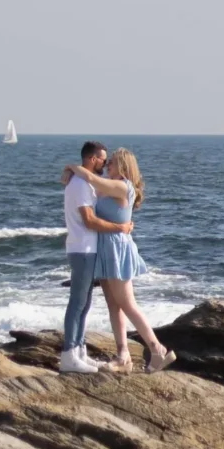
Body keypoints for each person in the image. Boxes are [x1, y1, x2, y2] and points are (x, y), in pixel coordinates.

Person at [92, 146, 175, 375]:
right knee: (113, 305)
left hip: (116, 248)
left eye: (112, 162)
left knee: (127, 303)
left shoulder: (123, 186)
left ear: (123, 166)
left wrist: (73, 168)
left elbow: (92, 180)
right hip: (105, 248)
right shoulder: (111, 186)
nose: (107, 165)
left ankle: (157, 349)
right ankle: (123, 356)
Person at [57, 142, 136, 374]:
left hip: (88, 249)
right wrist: (120, 228)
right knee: (77, 302)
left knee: (85, 302)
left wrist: (69, 168)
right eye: (103, 159)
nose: (106, 163)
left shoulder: (85, 182)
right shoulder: (81, 184)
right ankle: (69, 355)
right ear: (93, 159)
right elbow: (89, 220)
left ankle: (79, 350)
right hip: (82, 249)